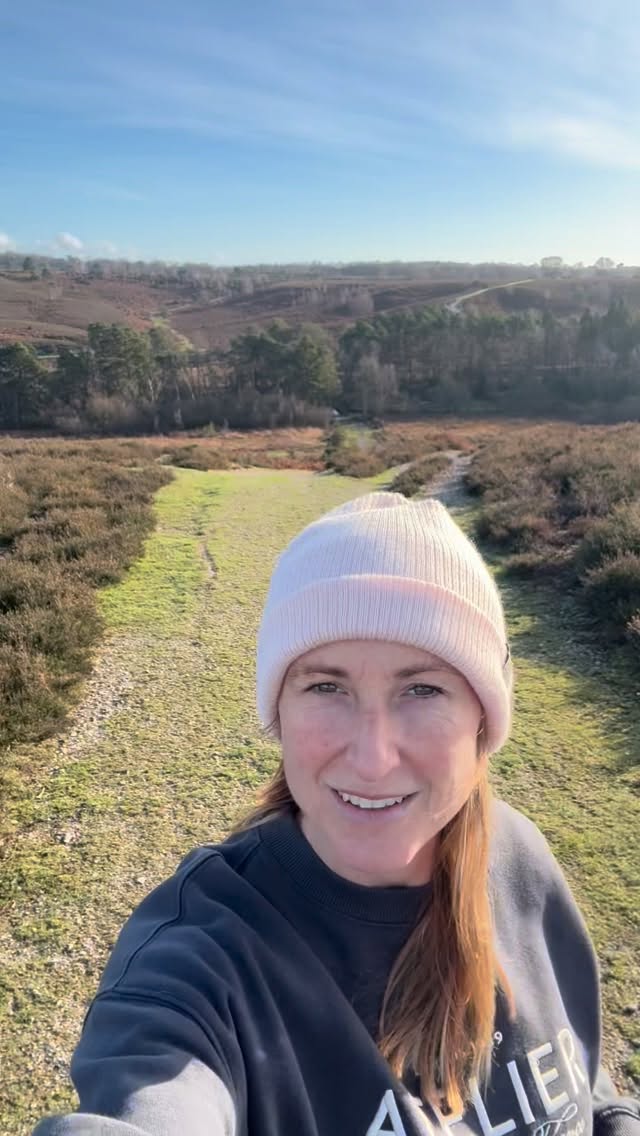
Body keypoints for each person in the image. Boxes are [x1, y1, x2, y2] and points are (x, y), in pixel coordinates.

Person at [33, 492, 639, 1136]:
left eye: (423, 689)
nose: (373, 759)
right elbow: (152, 1095)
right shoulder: (204, 957)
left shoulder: (519, 856)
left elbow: (585, 1078)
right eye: (326, 687)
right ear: (280, 711)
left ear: (484, 717)